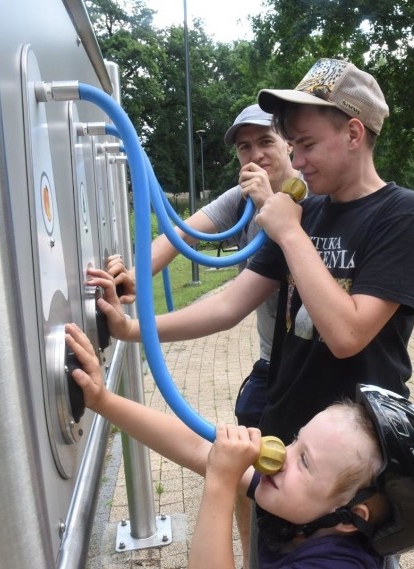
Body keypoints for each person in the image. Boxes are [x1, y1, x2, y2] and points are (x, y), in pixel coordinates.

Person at [89, 58, 414, 567]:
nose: (297, 158)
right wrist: (135, 329)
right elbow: (230, 304)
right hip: (286, 440)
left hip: (349, 467)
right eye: (292, 145)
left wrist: (290, 232)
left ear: (355, 133)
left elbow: (348, 334)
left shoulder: (400, 215)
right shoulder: (307, 210)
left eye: (307, 144)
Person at [64, 322, 414, 569]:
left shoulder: (335, 563)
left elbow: (215, 471)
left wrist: (220, 486)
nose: (283, 455)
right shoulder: (302, 502)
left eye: (305, 461)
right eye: (296, 440)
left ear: (347, 516)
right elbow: (199, 450)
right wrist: (102, 401)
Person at [105, 103, 301, 560]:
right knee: (246, 479)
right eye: (244, 147)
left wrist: (270, 204)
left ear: (289, 142)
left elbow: (231, 306)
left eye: (266, 142)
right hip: (273, 364)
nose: (254, 155)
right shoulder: (242, 198)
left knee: (304, 491)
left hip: (315, 365)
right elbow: (181, 235)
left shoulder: (308, 196)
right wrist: (132, 275)